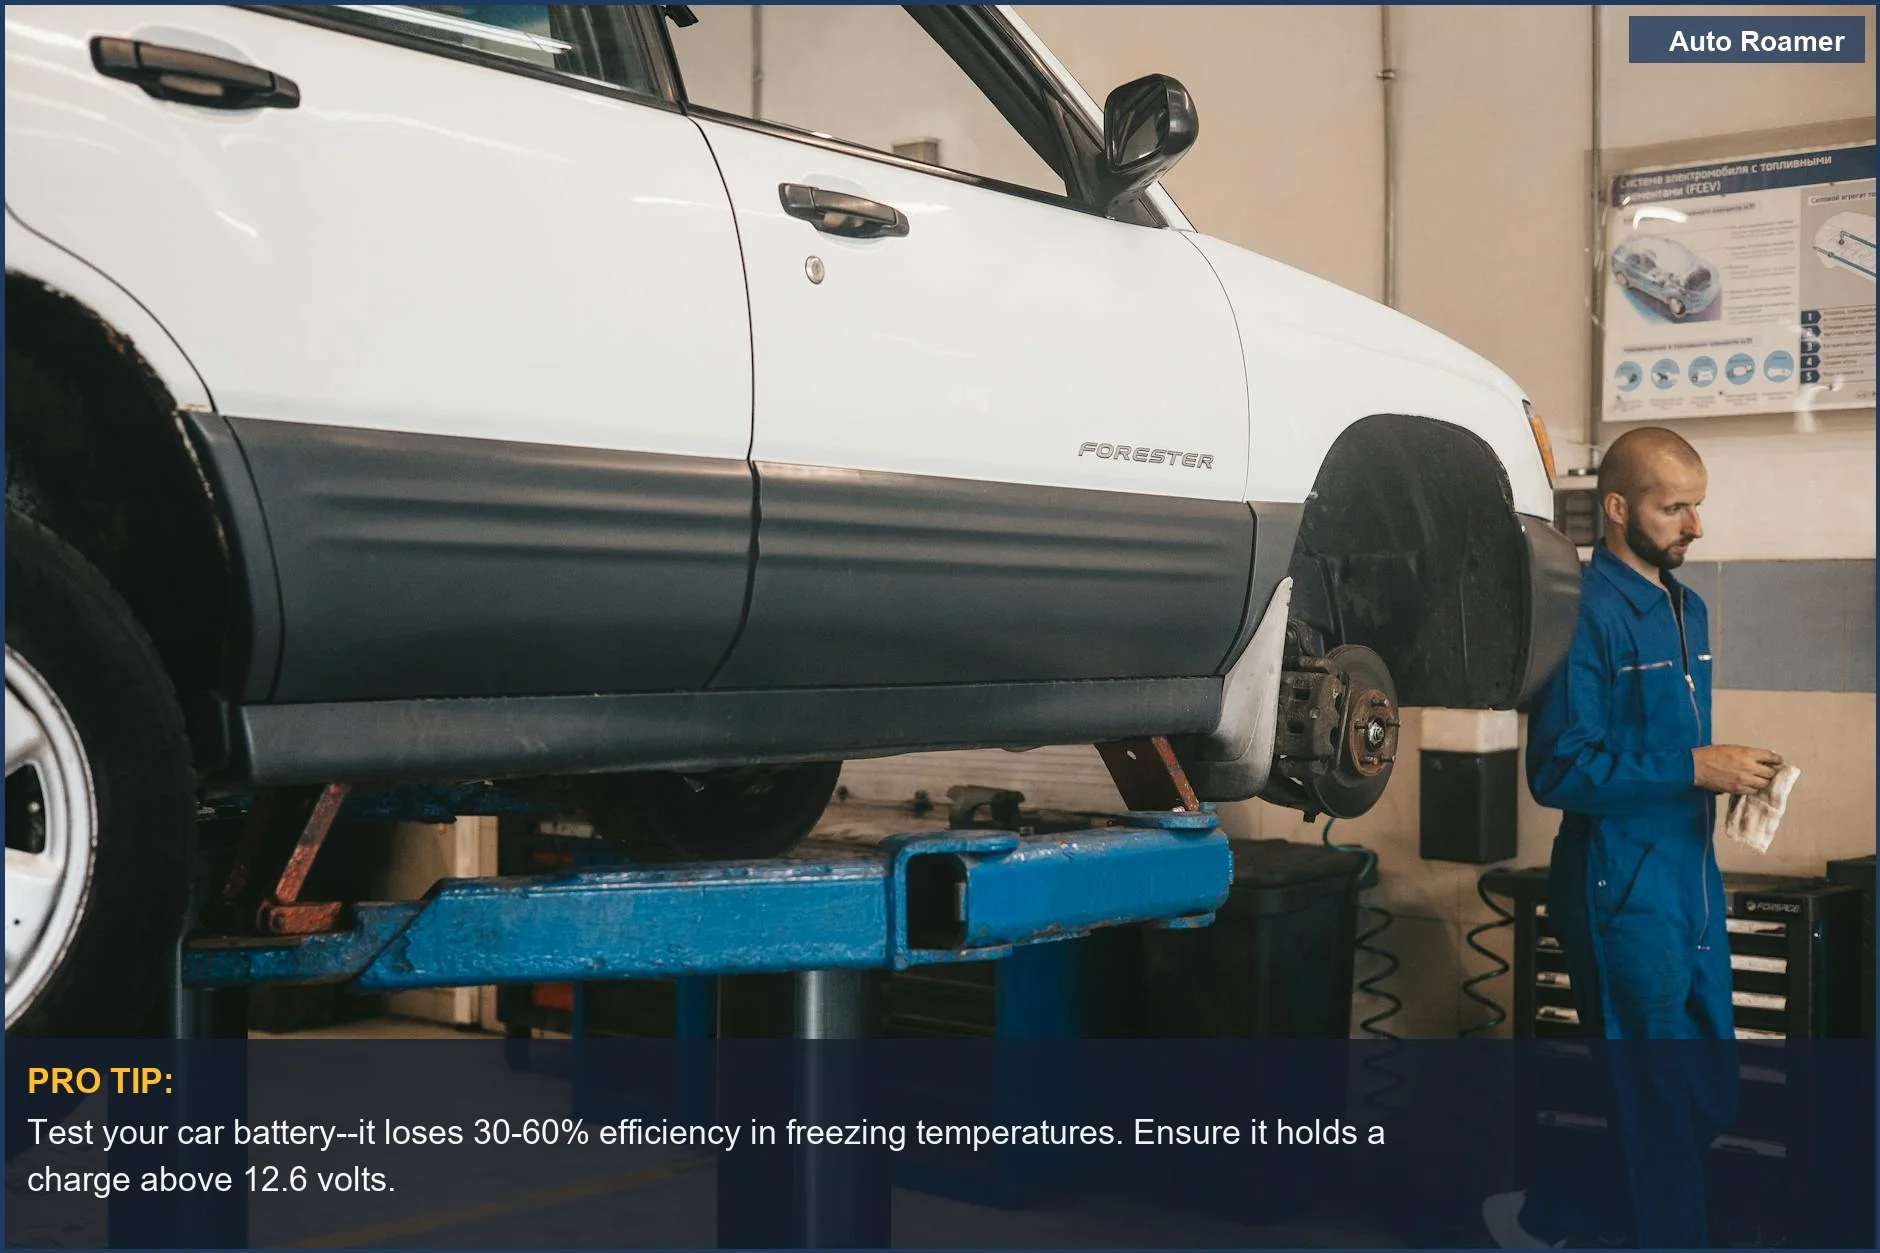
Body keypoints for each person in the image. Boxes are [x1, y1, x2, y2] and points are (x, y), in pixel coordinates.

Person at [1485, 426, 1782, 1249]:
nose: (1695, 526)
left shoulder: (1690, 609)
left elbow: (1673, 755)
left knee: (1707, 1094)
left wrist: (1733, 777)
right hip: (1619, 886)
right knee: (1658, 1111)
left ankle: (1546, 1215)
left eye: (1698, 506)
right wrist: (1695, 766)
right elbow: (1560, 769)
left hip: (1690, 878)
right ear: (1617, 508)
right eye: (1675, 507)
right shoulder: (1582, 614)